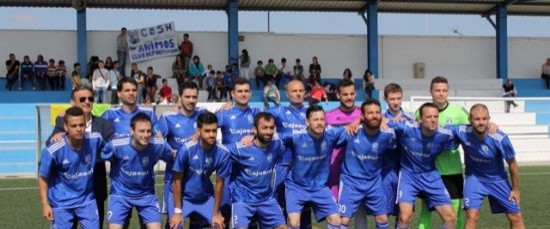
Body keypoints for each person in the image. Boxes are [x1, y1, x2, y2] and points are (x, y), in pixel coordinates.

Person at [447, 104, 525, 229]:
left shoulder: (499, 138)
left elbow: (512, 164)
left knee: (515, 216)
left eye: (484, 119)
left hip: (498, 180)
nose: (481, 122)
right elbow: (437, 127)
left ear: (489, 119)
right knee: (472, 216)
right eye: (477, 119)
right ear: (470, 120)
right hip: (474, 179)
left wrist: (515, 189)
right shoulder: (461, 131)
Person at [47, 85, 115, 229]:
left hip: (94, 191)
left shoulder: (104, 125)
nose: (87, 102)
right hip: (67, 195)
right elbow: (51, 146)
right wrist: (57, 136)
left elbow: (112, 152)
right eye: (82, 99)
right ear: (72, 102)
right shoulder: (62, 122)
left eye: (90, 98)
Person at [216, 112, 288, 229]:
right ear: (254, 129)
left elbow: (296, 137)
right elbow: (217, 149)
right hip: (243, 200)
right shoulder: (240, 149)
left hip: (267, 199)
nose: (269, 132)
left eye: (271, 128)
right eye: (264, 128)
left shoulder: (277, 145)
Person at [393, 102, 458, 229]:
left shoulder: (445, 134)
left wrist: (490, 125)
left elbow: (470, 128)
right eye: (429, 117)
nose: (433, 120)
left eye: (436, 116)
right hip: (408, 176)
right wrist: (358, 121)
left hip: (431, 176)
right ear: (420, 119)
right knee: (404, 217)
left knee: (450, 217)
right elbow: (380, 121)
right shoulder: (407, 128)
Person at [101, 113, 172, 229]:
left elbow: (173, 157)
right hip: (120, 195)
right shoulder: (116, 146)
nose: (146, 135)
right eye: (141, 131)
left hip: (146, 196)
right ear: (132, 130)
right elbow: (98, 154)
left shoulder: (159, 145)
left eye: (149, 131)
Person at [38, 106, 105, 229]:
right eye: (74, 126)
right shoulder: (54, 149)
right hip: (61, 202)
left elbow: (110, 150)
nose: (79, 129)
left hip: (87, 200)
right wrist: (45, 204)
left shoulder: (95, 139)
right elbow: (43, 177)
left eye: (81, 125)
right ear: (65, 127)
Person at [282, 105, 346, 229]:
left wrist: (357, 121)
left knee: (336, 220)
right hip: (296, 186)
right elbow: (272, 137)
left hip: (319, 187)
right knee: (294, 223)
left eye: (322, 119)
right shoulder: (296, 136)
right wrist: (252, 137)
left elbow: (351, 129)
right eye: (315, 120)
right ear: (307, 121)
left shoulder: (331, 134)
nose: (319, 123)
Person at [417, 76, 469, 229]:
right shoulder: (420, 112)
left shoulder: (459, 111)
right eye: (437, 90)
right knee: (426, 212)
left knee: (455, 213)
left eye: (444, 90)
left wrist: (491, 125)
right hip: (429, 172)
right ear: (430, 91)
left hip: (452, 170)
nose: (441, 94)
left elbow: (475, 127)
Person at [155, 81, 208, 228]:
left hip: (198, 181)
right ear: (180, 97)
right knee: (174, 223)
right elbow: (157, 142)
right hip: (173, 179)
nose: (191, 100)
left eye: (194, 97)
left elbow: (213, 134)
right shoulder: (168, 118)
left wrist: (227, 106)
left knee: (200, 223)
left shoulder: (203, 115)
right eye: (188, 96)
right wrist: (172, 153)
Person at [339, 99, 396, 229]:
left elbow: (409, 129)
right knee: (344, 220)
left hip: (374, 183)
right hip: (350, 182)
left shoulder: (387, 134)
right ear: (363, 116)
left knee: (382, 218)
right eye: (370, 113)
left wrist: (391, 123)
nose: (374, 115)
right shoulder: (351, 131)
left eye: (377, 112)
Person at [169, 112, 231, 229]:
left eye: (214, 130)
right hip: (183, 198)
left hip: (205, 198)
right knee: (175, 226)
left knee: (218, 225)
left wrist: (216, 212)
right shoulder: (186, 150)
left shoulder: (223, 153)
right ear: (198, 131)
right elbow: (176, 182)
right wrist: (177, 211)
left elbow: (219, 184)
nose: (211, 134)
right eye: (207, 131)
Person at [265, 79, 312, 229]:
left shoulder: (312, 113)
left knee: (303, 207)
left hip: (304, 167)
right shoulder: (279, 111)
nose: (298, 94)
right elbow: (256, 117)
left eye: (301, 91)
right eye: (294, 91)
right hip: (282, 165)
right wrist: (231, 105)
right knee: (279, 206)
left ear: (305, 93)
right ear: (287, 94)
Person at [215, 77, 261, 228]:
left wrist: (254, 135)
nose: (243, 94)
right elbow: (204, 126)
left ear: (251, 93)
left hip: (249, 171)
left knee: (250, 214)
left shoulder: (257, 113)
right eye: (239, 91)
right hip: (228, 169)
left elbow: (270, 133)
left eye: (246, 91)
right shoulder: (224, 113)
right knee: (224, 212)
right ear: (232, 94)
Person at [324, 79, 364, 228]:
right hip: (335, 172)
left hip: (357, 173)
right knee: (335, 214)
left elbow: (381, 119)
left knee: (360, 212)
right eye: (345, 94)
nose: (349, 97)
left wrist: (359, 119)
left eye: (352, 93)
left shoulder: (364, 113)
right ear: (338, 95)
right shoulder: (329, 116)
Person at [381, 83, 414, 221]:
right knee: (384, 213)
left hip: (406, 171)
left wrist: (403, 125)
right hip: (386, 170)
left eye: (398, 98)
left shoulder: (410, 118)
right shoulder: (379, 117)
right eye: (392, 99)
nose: (396, 102)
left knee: (404, 214)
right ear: (385, 99)